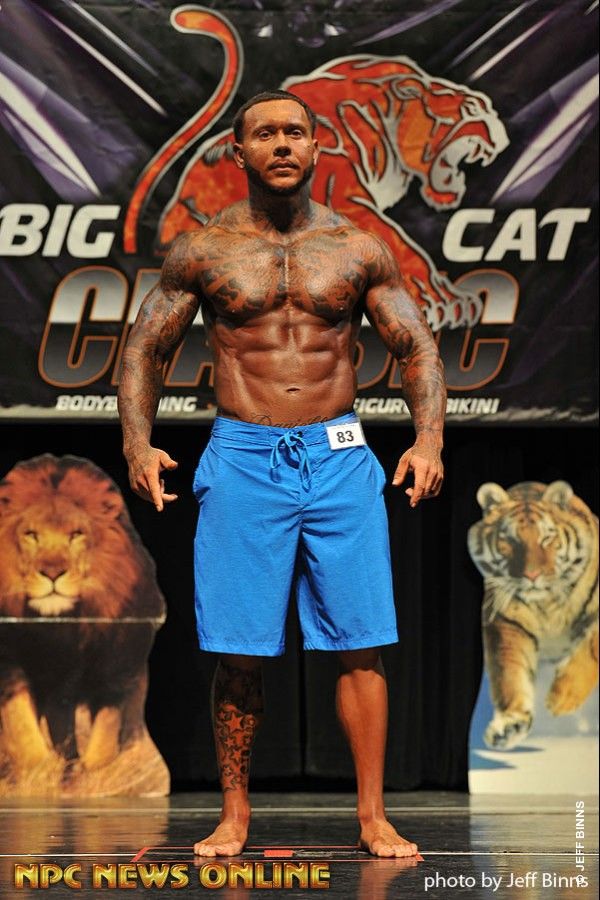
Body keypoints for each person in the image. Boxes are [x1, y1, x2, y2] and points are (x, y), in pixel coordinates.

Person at [118, 90, 445, 859]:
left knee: (362, 643)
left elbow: (417, 346)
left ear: (317, 145)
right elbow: (146, 348)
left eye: (295, 131)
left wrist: (428, 440)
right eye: (265, 134)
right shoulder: (203, 250)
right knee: (239, 651)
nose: (282, 144)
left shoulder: (357, 248)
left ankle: (373, 816)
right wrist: (137, 443)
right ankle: (234, 815)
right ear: (238, 152)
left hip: (339, 455)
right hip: (243, 455)